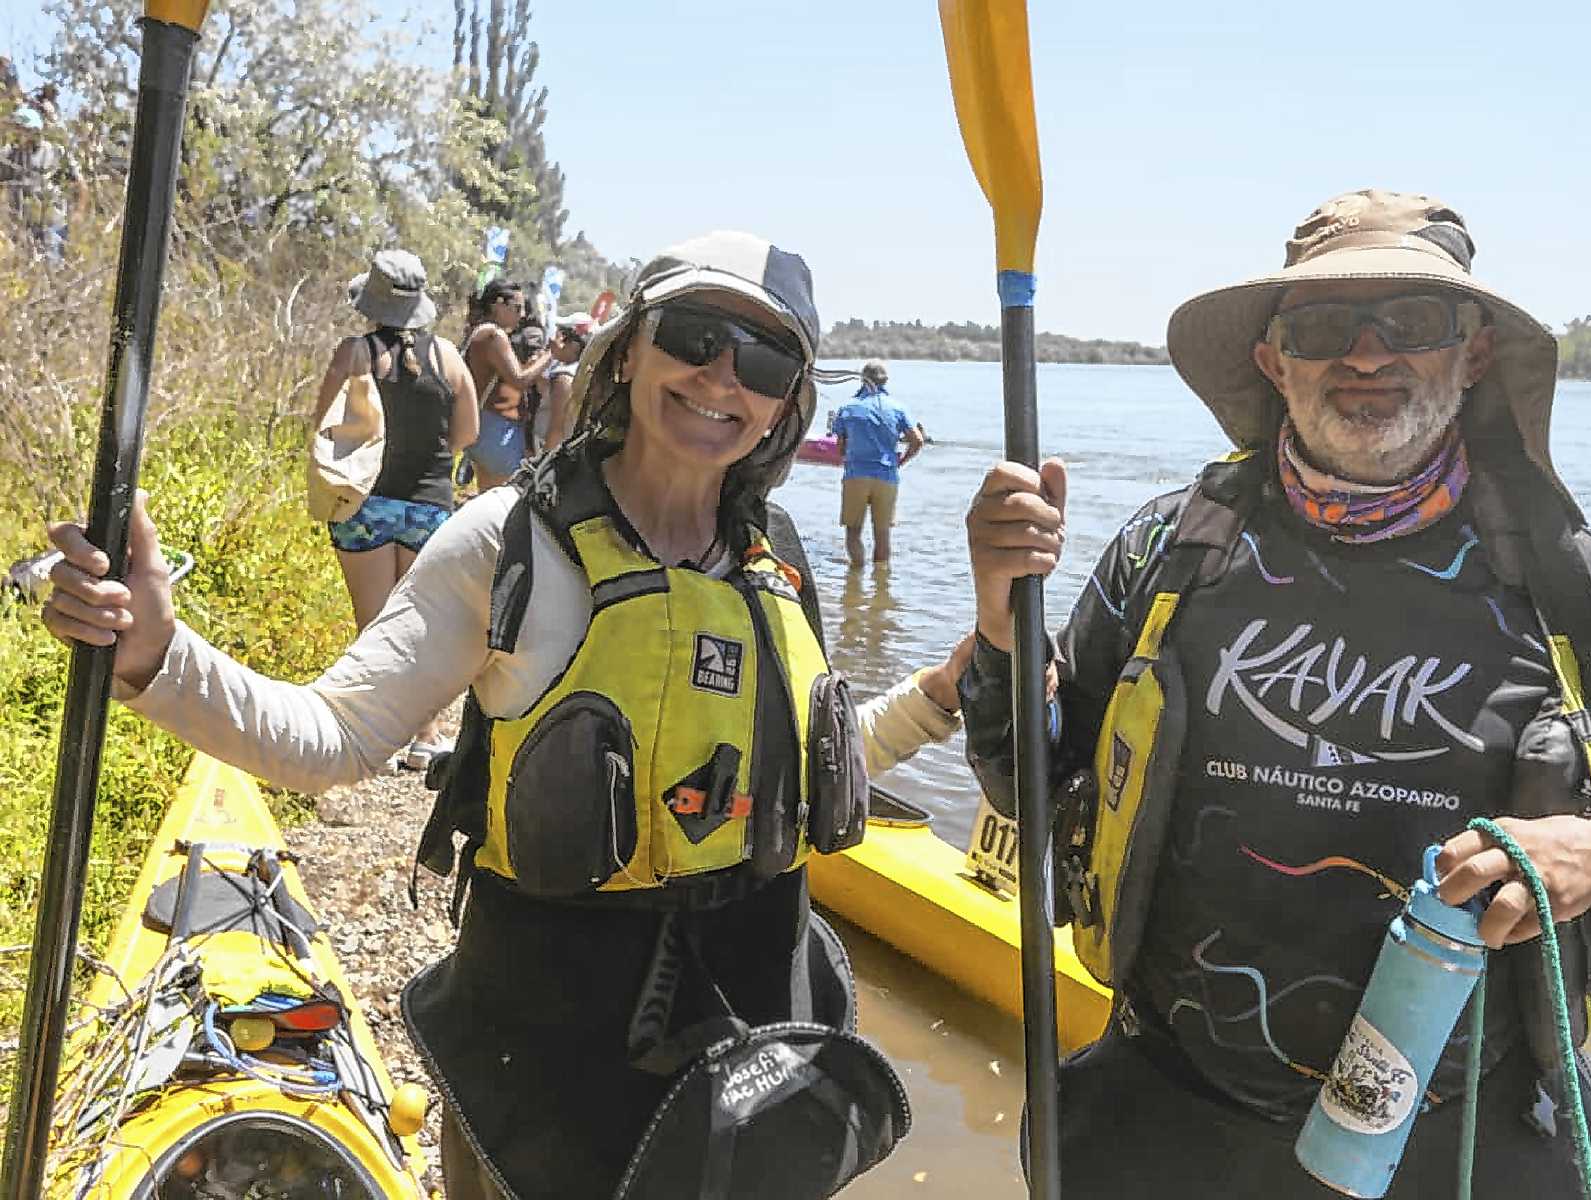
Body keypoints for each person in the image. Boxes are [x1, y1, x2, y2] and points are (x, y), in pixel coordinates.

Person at [42, 231, 977, 1199]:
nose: (721, 378)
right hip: (549, 1088)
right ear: (632, 346)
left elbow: (798, 773)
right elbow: (337, 736)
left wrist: (939, 697)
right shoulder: (510, 543)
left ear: (789, 398)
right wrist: (159, 655)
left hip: (747, 1079)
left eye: (764, 360)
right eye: (695, 337)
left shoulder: (774, 561)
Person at [960, 190, 1591, 1197]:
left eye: (1410, 323)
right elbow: (1018, 779)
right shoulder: (1168, 555)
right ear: (1272, 360)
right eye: (1326, 327)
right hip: (1170, 1112)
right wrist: (1000, 627)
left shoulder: (1566, 579)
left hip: (1459, 1139)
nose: (1367, 356)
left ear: (1471, 354)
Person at [314, 249, 478, 770]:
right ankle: (426, 736)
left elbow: (323, 422)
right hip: (430, 508)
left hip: (366, 502)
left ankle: (378, 739)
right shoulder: (449, 357)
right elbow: (467, 433)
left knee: (373, 625)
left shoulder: (355, 352)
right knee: (418, 626)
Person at [460, 279, 554, 491]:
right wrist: (550, 355)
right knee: (504, 501)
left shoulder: (479, 332)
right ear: (498, 305)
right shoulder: (494, 335)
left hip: (484, 424)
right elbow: (519, 380)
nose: (521, 316)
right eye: (517, 308)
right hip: (498, 429)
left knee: (486, 495)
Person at [830, 360, 925, 566]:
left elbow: (840, 449)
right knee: (882, 536)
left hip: (856, 475)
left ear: (862, 380)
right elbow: (917, 440)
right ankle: (881, 585)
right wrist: (901, 461)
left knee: (853, 533)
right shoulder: (898, 408)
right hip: (887, 477)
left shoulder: (848, 407)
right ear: (885, 381)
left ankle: (856, 575)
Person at [538, 310, 594, 453]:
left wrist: (541, 466)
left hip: (549, 450)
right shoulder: (581, 372)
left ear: (574, 345)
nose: (554, 340)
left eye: (562, 335)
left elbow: (556, 429)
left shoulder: (564, 378)